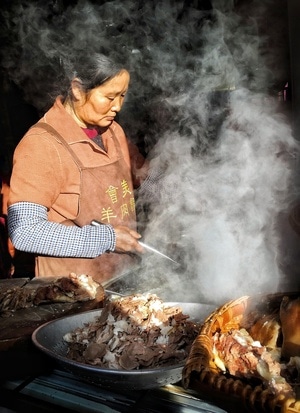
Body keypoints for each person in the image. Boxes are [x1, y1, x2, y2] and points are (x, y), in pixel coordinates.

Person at [7, 53, 148, 284]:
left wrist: (180, 197)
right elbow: (25, 232)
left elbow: (140, 174)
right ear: (77, 89)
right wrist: (108, 238)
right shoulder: (42, 144)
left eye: (122, 96)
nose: (118, 106)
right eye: (110, 97)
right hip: (73, 292)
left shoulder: (114, 131)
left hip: (123, 280)